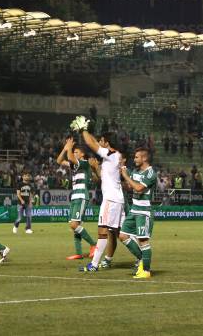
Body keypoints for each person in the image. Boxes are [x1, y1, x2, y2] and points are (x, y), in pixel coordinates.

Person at [71, 116, 125, 272]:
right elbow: (103, 177)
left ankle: (94, 265)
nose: (99, 143)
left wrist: (83, 129)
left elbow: (90, 143)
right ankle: (139, 259)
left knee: (104, 232)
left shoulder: (111, 154)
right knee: (118, 233)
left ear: (107, 143)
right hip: (116, 199)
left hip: (110, 200)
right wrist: (96, 168)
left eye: (102, 141)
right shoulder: (114, 156)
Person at [56, 137, 96, 260]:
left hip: (81, 196)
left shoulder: (83, 163)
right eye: (74, 152)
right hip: (75, 197)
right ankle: (78, 253)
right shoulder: (74, 164)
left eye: (76, 152)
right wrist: (65, 148)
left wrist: (69, 149)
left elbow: (70, 158)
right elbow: (59, 161)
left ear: (82, 154)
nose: (74, 153)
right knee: (74, 225)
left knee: (74, 224)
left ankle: (94, 244)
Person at [119, 148, 157, 279]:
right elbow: (131, 186)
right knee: (123, 236)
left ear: (144, 158)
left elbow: (139, 188)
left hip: (144, 212)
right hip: (134, 210)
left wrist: (125, 176)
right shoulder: (135, 171)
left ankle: (146, 270)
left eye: (136, 157)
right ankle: (142, 259)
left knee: (143, 241)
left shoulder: (151, 173)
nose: (134, 160)